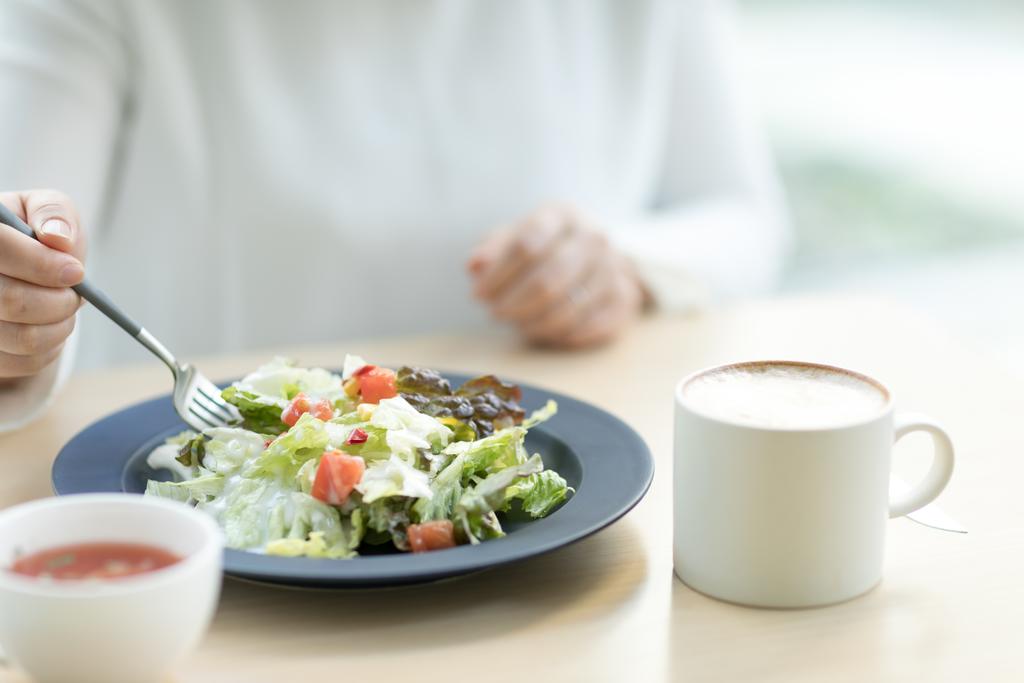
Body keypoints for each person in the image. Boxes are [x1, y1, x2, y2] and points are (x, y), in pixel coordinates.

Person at [0, 0, 788, 430]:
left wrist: (626, 265)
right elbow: (26, 224)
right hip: (189, 542)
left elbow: (745, 217)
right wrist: (18, 316)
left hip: (551, 521)